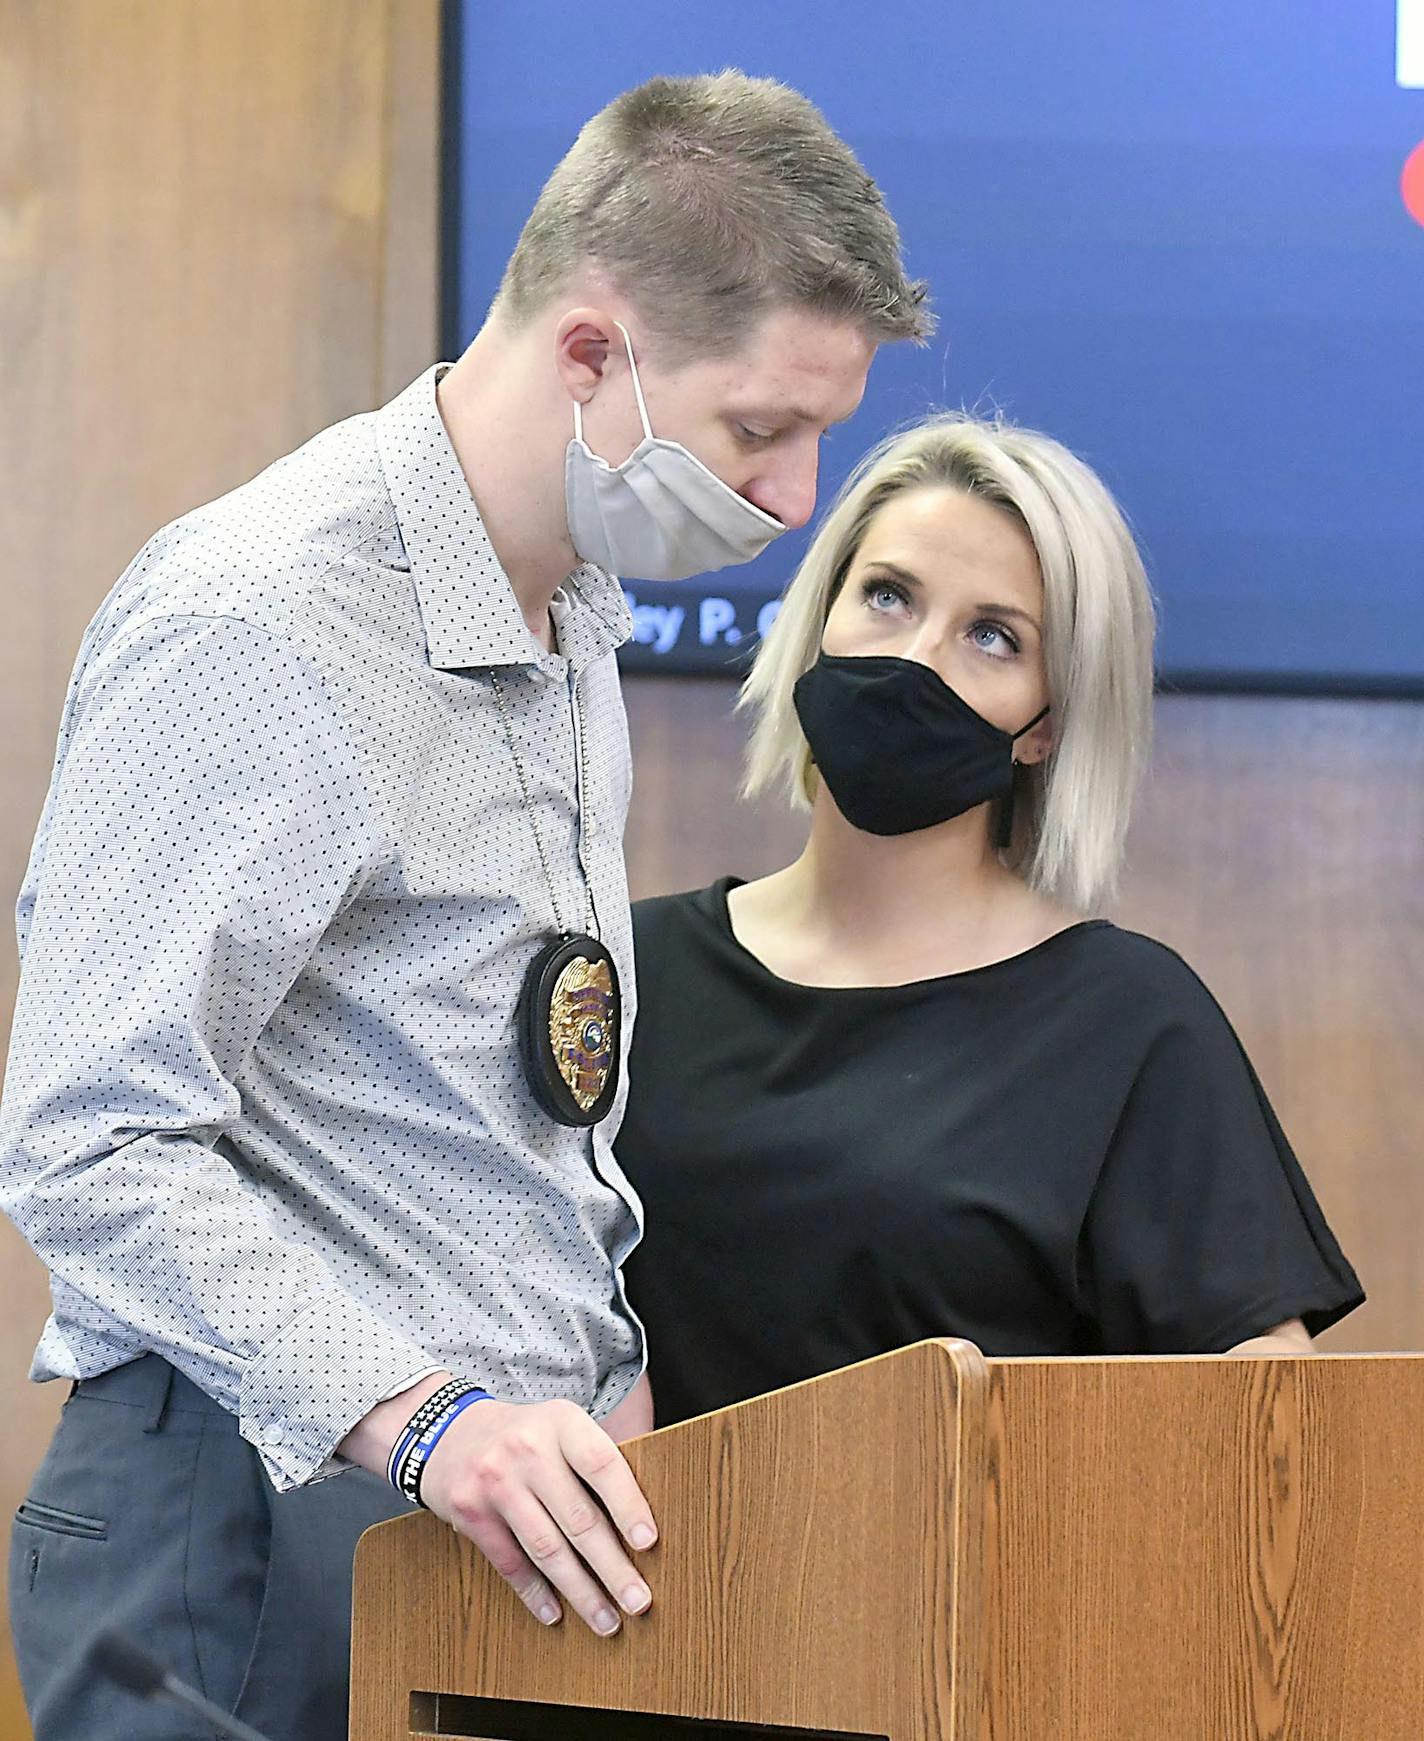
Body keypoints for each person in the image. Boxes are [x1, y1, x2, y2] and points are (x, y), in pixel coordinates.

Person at [0, 73, 931, 1741]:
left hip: (473, 1526)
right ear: (591, 354)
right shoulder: (260, 617)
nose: (797, 500)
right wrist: (426, 1420)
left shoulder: (569, 602)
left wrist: (590, 1364)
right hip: (238, 1516)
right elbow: (86, 1141)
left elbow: (494, 1100)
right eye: (756, 431)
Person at [617, 413, 1364, 1427]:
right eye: (886, 596)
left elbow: (1270, 1442)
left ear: (1044, 725)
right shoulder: (628, 971)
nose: (915, 658)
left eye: (990, 636)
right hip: (631, 1580)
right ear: (818, 613)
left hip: (969, 1583)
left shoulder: (1125, 1023)